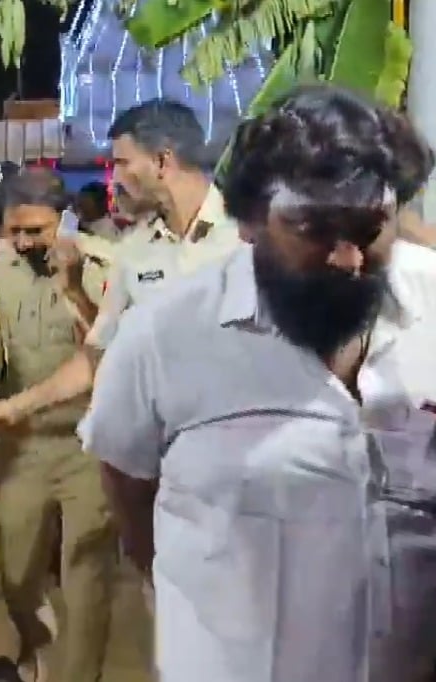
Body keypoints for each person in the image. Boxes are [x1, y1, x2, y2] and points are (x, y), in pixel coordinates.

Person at [80, 84, 436, 681]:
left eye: (370, 229)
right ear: (248, 222)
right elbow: (127, 484)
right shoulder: (163, 337)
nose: (347, 259)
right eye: (313, 229)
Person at [0, 99, 241, 436]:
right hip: (169, 453)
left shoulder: (246, 234)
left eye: (121, 163)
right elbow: (98, 355)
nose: (113, 178)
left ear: (162, 161)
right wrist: (11, 409)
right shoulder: (135, 251)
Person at [0, 167, 151, 682]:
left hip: (86, 446)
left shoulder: (102, 264)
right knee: (19, 574)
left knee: (86, 574)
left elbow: (115, 346)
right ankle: (34, 650)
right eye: (16, 230)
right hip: (20, 447)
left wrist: (72, 286)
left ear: (62, 222)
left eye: (38, 231)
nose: (25, 241)